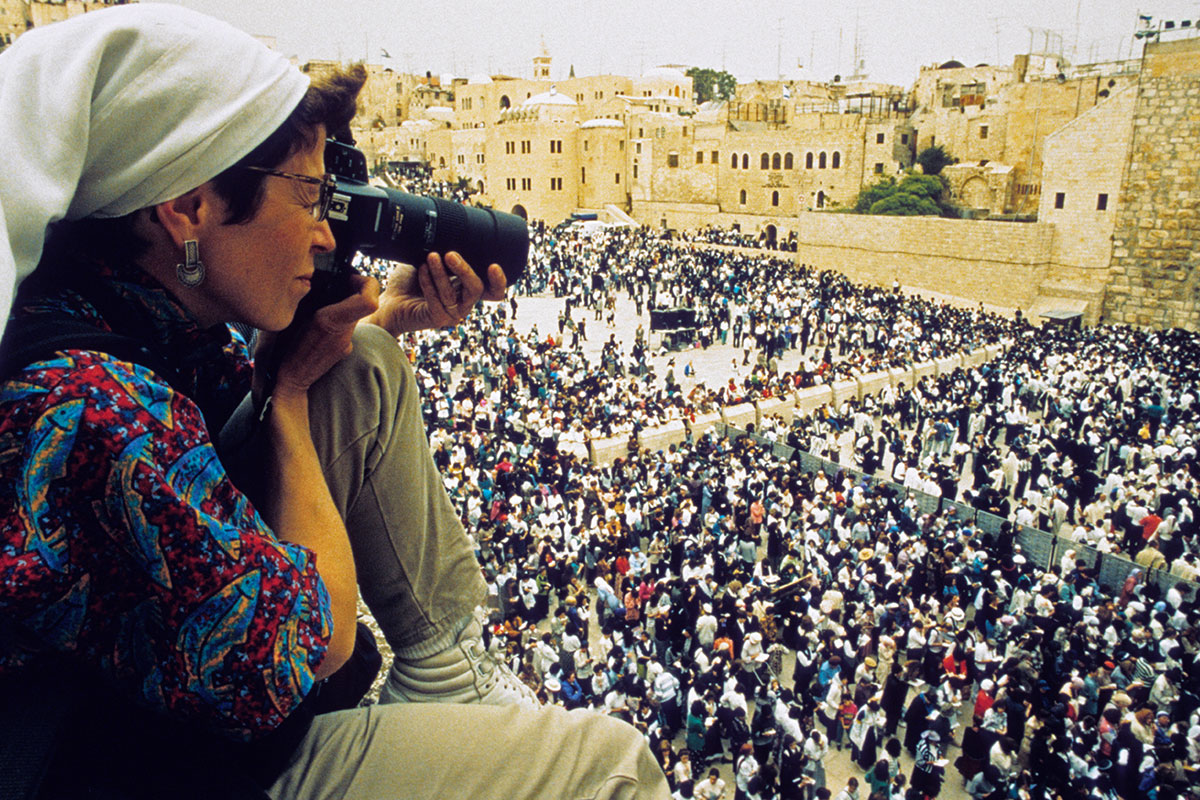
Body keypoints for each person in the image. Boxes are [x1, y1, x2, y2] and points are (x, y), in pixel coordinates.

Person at [0, 7, 668, 799]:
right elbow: (313, 645)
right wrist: (284, 397)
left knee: (363, 360)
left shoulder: (121, 302)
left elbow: (236, 429)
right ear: (187, 207)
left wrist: (386, 318)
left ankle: (445, 671)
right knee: (610, 763)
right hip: (147, 758)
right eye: (310, 197)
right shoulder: (89, 402)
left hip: (166, 700)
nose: (326, 235)